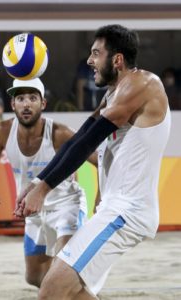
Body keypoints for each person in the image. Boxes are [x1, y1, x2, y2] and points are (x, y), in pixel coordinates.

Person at [17, 24, 171, 300]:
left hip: (127, 213)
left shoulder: (143, 84)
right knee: (69, 290)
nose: (89, 61)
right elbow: (79, 139)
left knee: (51, 290)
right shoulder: (114, 93)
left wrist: (44, 189)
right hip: (113, 210)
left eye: (96, 53)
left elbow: (89, 141)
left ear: (117, 59)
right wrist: (39, 182)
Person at [0, 77, 97, 292]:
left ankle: (70, 289)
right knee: (34, 277)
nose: (26, 103)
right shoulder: (3, 131)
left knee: (63, 273)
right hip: (34, 212)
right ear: (12, 104)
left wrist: (101, 197)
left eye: (33, 98)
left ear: (43, 104)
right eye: (20, 98)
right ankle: (74, 292)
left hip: (65, 207)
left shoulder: (60, 133)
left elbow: (100, 162)